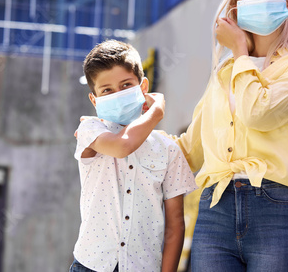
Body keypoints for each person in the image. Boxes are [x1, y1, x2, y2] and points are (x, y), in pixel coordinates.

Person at [174, 0, 288, 271]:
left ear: (287, 1)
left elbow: (259, 114)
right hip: (215, 206)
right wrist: (133, 136)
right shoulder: (223, 73)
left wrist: (240, 51)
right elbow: (189, 149)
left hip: (275, 205)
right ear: (236, 8)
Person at [71, 40, 198, 272]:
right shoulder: (90, 130)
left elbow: (175, 224)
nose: (117, 94)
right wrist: (156, 112)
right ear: (94, 99)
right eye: (106, 90)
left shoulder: (169, 149)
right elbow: (122, 147)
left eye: (126, 85)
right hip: (91, 265)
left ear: (143, 87)